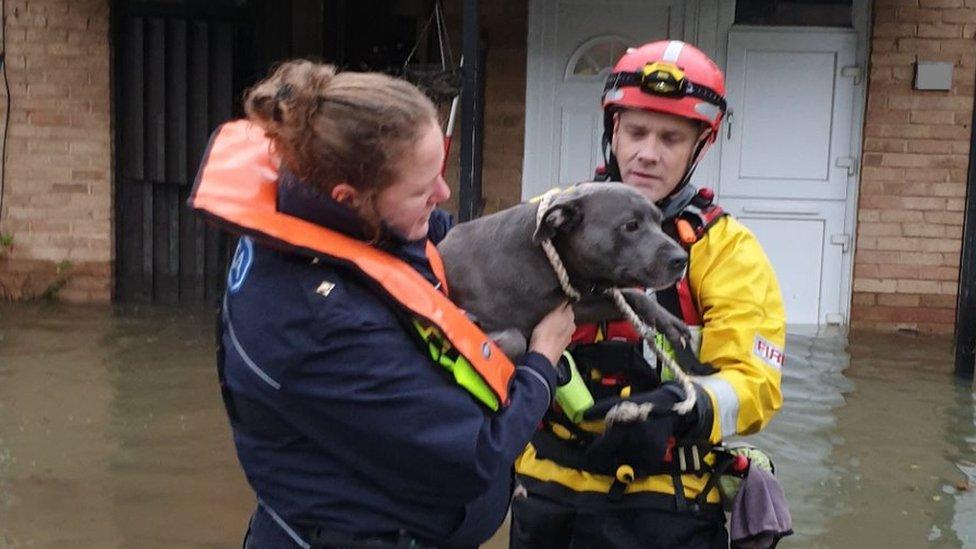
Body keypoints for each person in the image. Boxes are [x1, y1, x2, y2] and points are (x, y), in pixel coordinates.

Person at [190, 60, 576, 549]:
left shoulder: (325, 213)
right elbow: (477, 455)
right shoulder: (317, 322)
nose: (443, 193)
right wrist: (542, 362)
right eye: (422, 189)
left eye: (440, 172)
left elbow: (448, 239)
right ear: (349, 197)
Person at [510, 40, 787, 548]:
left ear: (700, 145)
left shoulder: (725, 250)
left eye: (670, 138)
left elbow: (757, 382)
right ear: (612, 130)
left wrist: (689, 406)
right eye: (635, 131)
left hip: (667, 505)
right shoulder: (549, 221)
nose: (647, 153)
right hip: (548, 494)